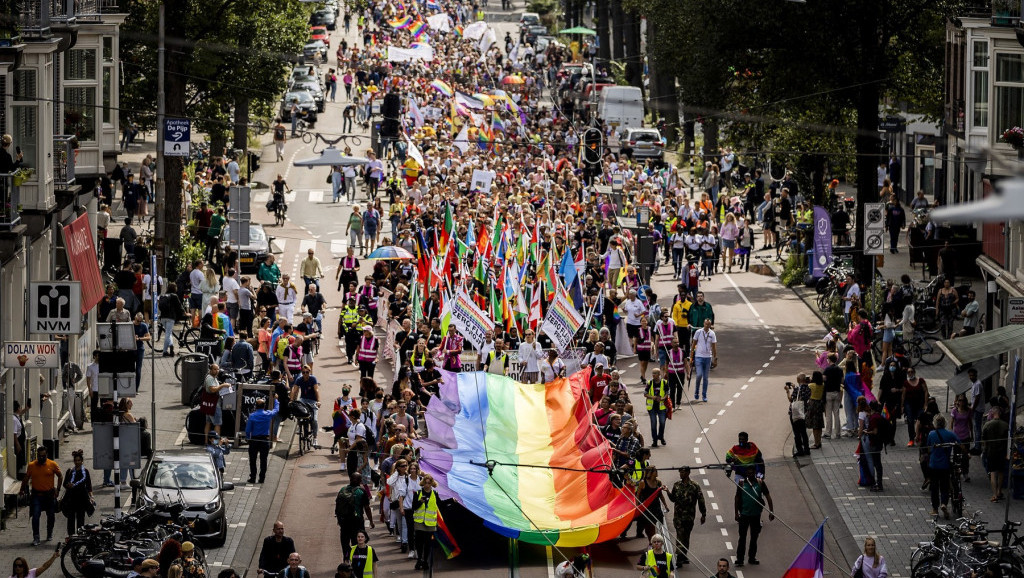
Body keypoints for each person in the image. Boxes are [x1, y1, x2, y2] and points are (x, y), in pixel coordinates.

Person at [20, 445, 63, 545]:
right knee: (35, 516)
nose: (41, 458)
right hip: (36, 495)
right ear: (37, 456)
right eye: (39, 456)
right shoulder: (31, 465)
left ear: (46, 455)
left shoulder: (52, 464)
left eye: (43, 456)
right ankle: (36, 537)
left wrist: (58, 490)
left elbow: (60, 476)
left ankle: (49, 533)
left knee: (51, 515)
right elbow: (26, 478)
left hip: (49, 495)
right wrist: (22, 489)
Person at [733, 466, 774, 567]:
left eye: (752, 473)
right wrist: (736, 513)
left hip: (756, 515)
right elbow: (737, 498)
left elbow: (768, 496)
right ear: (746, 473)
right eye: (748, 473)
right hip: (744, 515)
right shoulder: (742, 483)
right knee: (742, 537)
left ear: (755, 473)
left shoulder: (760, 483)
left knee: (754, 537)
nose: (750, 475)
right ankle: (740, 559)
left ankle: (752, 557)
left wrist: (771, 511)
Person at [667, 466, 706, 567]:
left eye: (683, 472)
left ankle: (684, 555)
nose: (681, 474)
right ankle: (679, 557)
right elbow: (673, 499)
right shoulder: (676, 485)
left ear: (688, 473)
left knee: (686, 536)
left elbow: (701, 500)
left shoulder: (694, 486)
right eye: (680, 472)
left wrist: (703, 514)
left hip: (689, 516)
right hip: (678, 517)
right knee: (680, 535)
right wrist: (667, 492)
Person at [926, 414, 959, 519]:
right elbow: (960, 443)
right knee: (945, 486)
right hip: (945, 465)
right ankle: (944, 503)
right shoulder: (950, 434)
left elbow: (928, 449)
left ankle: (935, 509)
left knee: (934, 487)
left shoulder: (931, 434)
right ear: (945, 423)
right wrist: (967, 453)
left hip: (933, 465)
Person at [336, 472, 374, 559]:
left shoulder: (342, 490)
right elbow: (367, 508)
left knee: (345, 543)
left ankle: (346, 561)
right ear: (360, 481)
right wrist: (371, 521)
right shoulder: (361, 491)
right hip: (357, 521)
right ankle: (355, 561)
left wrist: (339, 519)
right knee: (356, 543)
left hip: (344, 521)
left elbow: (338, 506)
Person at [61, 448, 94, 537]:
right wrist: (69, 485)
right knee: (70, 518)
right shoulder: (70, 471)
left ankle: (80, 536)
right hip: (71, 498)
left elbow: (89, 485)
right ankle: (71, 536)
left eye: (79, 460)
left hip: (81, 498)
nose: (77, 462)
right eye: (76, 460)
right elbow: (64, 483)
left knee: (80, 519)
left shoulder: (85, 472)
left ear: (82, 461)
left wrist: (91, 497)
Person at [412, 474, 440, 570]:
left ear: (432, 483)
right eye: (425, 483)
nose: (427, 485)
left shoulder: (435, 494)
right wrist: (420, 501)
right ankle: (419, 559)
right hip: (419, 522)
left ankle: (425, 561)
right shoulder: (418, 493)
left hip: (430, 523)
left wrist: (452, 501)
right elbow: (414, 507)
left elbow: (441, 505)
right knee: (419, 542)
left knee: (428, 543)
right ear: (423, 483)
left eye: (429, 483)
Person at [982, 406, 1009, 502]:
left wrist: (984, 450)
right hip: (1002, 452)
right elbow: (1008, 441)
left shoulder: (987, 424)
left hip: (991, 452)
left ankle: (994, 495)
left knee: (993, 473)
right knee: (1001, 472)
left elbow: (983, 438)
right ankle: (999, 491)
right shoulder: (1005, 425)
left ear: (992, 413)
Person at [689, 318, 717, 403]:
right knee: (699, 375)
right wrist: (691, 357)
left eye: (708, 324)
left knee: (705, 378)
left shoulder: (712, 333)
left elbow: (714, 347)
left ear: (710, 325)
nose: (707, 326)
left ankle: (704, 395)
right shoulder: (698, 332)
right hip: (699, 356)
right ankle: (696, 390)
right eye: (706, 324)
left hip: (707, 357)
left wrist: (715, 358)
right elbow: (693, 344)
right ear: (703, 324)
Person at [645, 368, 668, 447]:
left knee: (662, 422)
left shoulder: (664, 382)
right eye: (652, 373)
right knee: (653, 423)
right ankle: (654, 440)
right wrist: (653, 397)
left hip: (662, 407)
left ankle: (661, 437)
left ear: (659, 374)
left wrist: (663, 398)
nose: (653, 375)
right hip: (652, 407)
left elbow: (667, 393)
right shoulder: (649, 383)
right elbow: (645, 393)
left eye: (655, 373)